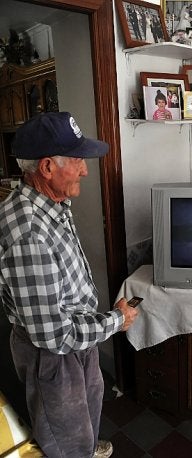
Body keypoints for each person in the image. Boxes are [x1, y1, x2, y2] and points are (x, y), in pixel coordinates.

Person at [0, 111, 139, 458]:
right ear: (47, 167)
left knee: (85, 413)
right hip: (55, 356)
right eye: (77, 160)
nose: (85, 169)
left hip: (81, 338)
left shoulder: (53, 202)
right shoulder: (29, 234)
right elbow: (55, 336)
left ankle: (86, 447)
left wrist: (102, 323)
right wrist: (116, 321)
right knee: (64, 436)